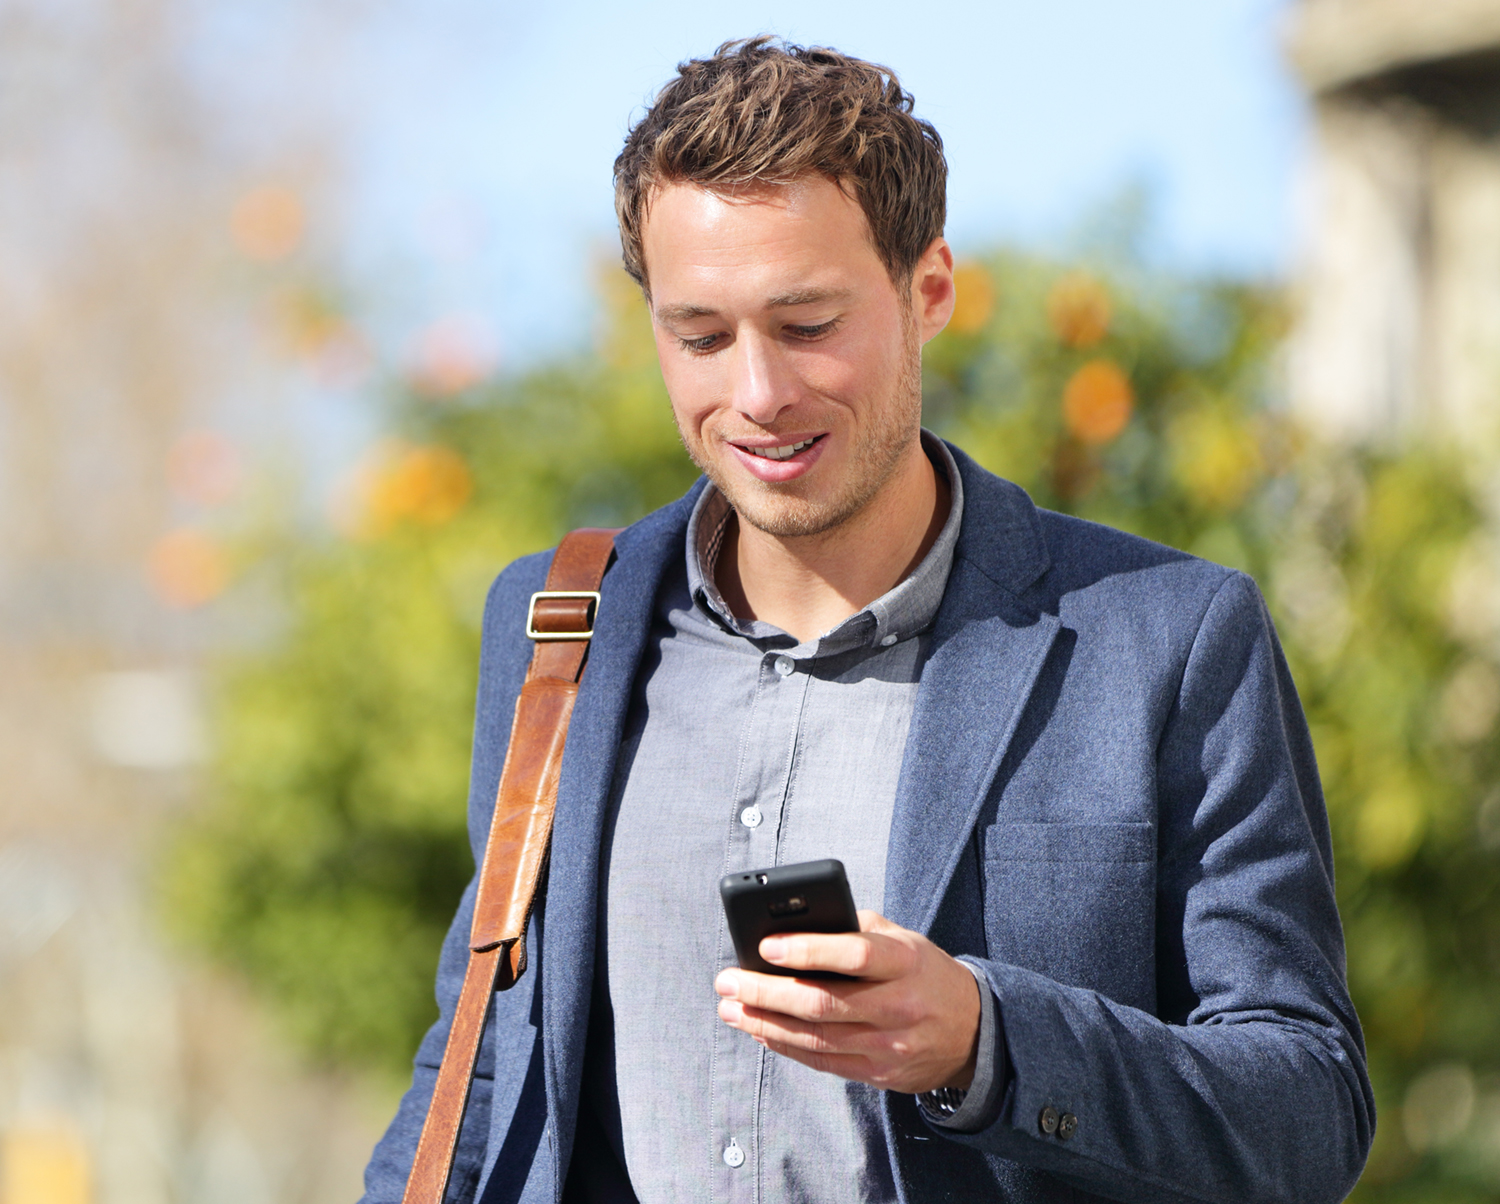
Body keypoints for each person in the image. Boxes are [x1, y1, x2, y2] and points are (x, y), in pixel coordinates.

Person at [362, 36, 1373, 1204]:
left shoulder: (1174, 638)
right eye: (700, 335)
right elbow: (487, 1068)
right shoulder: (553, 627)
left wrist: (986, 1040)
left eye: (806, 326)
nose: (757, 395)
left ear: (929, 289)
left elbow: (1309, 1106)